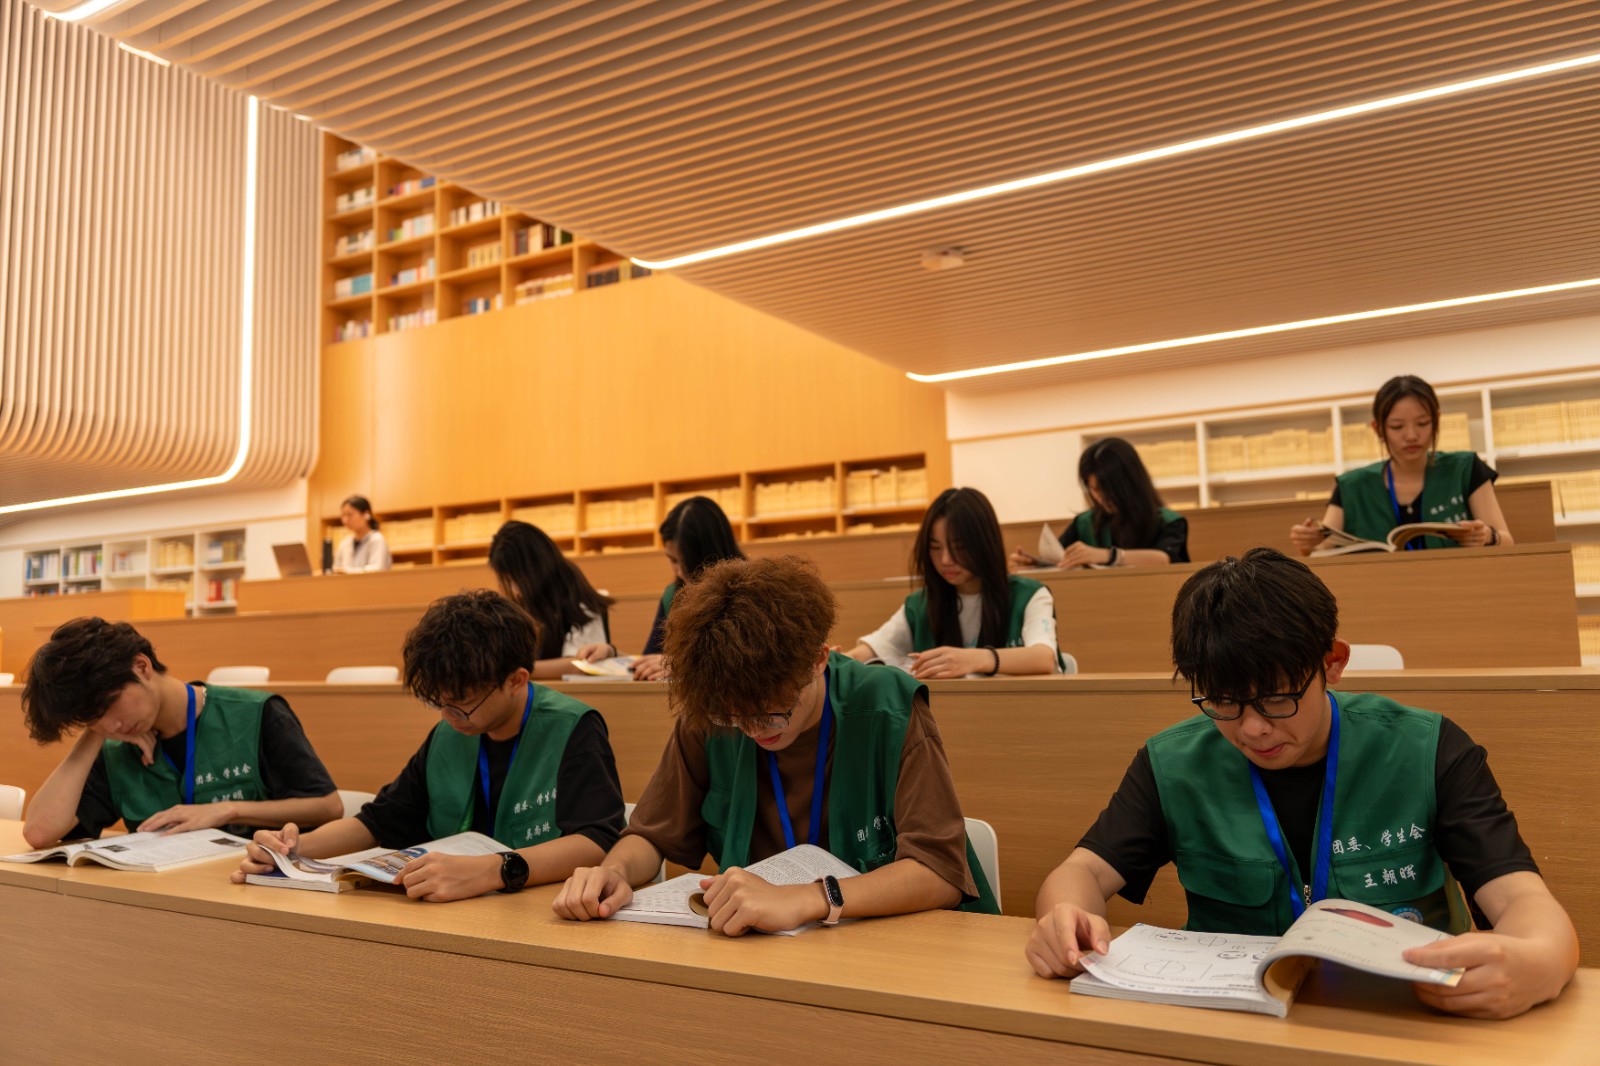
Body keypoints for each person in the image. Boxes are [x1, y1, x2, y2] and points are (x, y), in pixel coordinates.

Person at [1026, 548, 1577, 1020]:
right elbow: (1081, 872)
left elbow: (1522, 898)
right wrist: (1064, 919)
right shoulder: (1173, 764)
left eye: (1275, 698)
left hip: (1401, 1021)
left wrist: (1544, 962)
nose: (1252, 728)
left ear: (1332, 663)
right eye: (1223, 701)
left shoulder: (1426, 749)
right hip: (1235, 1028)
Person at [552, 555, 999, 934]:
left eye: (771, 712)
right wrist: (614, 872)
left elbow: (938, 872)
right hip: (774, 949)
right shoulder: (713, 707)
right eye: (734, 717)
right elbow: (652, 834)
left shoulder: (887, 707)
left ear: (818, 659)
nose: (752, 730)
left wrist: (808, 899)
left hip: (901, 943)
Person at [232, 590, 625, 902]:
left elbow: (597, 840)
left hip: (542, 906)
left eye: (461, 704)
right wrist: (293, 848)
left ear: (516, 680)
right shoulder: (451, 732)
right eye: (439, 703)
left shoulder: (572, 727)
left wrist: (493, 870)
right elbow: (379, 821)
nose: (448, 717)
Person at [20, 618, 342, 848]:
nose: (111, 725)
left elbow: (328, 806)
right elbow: (39, 832)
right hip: (159, 901)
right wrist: (94, 735)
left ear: (141, 667)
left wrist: (227, 810)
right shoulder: (115, 745)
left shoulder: (256, 713)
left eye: (109, 705)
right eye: (92, 719)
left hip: (253, 889)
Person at [846, 487, 1065, 677]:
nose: (945, 560)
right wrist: (837, 660)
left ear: (985, 543)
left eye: (959, 547)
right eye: (935, 547)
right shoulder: (920, 604)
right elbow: (868, 651)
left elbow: (1044, 657)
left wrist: (973, 659)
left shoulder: (1029, 595)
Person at [1290, 376, 1512, 554]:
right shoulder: (1352, 486)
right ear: (1378, 429)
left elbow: (1507, 541)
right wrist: (1307, 544)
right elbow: (1322, 551)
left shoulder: (1465, 468)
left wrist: (1488, 536)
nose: (1412, 435)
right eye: (1397, 427)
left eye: (1423, 423)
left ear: (1436, 421)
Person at [578, 495, 745, 681]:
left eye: (689, 562)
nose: (680, 571)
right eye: (672, 560)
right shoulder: (673, 595)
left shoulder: (751, 592)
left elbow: (748, 666)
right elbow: (652, 658)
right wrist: (612, 654)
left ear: (711, 554)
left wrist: (681, 666)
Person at [1011, 437, 1188, 569]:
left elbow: (1163, 559)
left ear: (1130, 482)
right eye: (1094, 489)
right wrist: (1036, 564)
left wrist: (1108, 556)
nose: (1100, 497)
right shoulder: (1084, 523)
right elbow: (1060, 560)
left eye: (1106, 488)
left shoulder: (1169, 522)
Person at [489, 520, 614, 679]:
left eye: (515, 580)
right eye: (507, 581)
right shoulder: (524, 605)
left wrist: (510, 671)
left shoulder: (582, 602)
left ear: (536, 569)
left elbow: (583, 665)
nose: (514, 591)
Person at [332, 493, 392, 572]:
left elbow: (377, 569)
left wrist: (347, 572)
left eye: (350, 515)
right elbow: (336, 570)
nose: (345, 520)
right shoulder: (344, 543)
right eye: (343, 515)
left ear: (366, 514)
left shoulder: (377, 539)